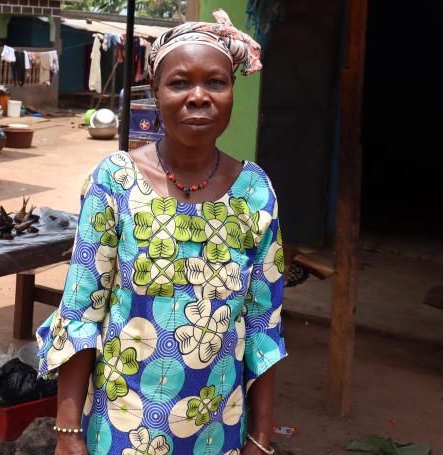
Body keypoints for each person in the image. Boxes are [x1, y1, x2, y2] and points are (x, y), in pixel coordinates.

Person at [36, 10, 286, 455]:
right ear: (155, 92)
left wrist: (261, 438)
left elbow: (264, 326)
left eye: (215, 82)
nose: (198, 97)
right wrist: (68, 429)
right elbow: (81, 310)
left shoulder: (255, 191)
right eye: (179, 83)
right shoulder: (115, 180)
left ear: (232, 93)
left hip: (218, 430)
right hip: (118, 429)